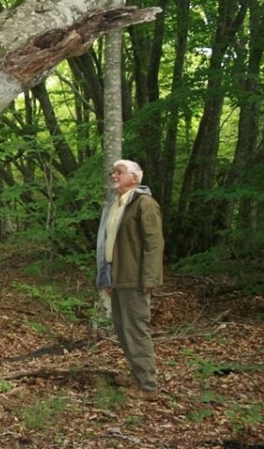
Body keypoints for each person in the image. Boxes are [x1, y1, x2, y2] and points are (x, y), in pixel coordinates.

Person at [95, 159, 164, 401]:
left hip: (135, 279)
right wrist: (107, 278)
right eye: (113, 171)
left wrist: (149, 278)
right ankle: (138, 377)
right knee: (124, 331)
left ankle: (148, 386)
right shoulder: (115, 205)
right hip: (117, 278)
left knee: (136, 330)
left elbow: (154, 244)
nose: (114, 175)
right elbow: (109, 244)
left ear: (134, 178)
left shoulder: (144, 204)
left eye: (119, 172)